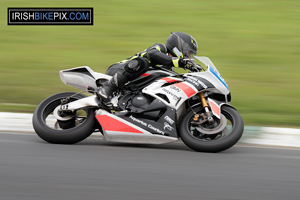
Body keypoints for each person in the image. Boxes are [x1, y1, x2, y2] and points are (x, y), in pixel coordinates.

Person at [98, 32, 198, 103]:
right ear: (179, 46)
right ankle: (107, 88)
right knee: (143, 62)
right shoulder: (161, 48)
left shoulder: (168, 69)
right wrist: (178, 61)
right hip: (118, 70)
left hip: (132, 85)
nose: (188, 57)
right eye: (188, 53)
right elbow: (152, 54)